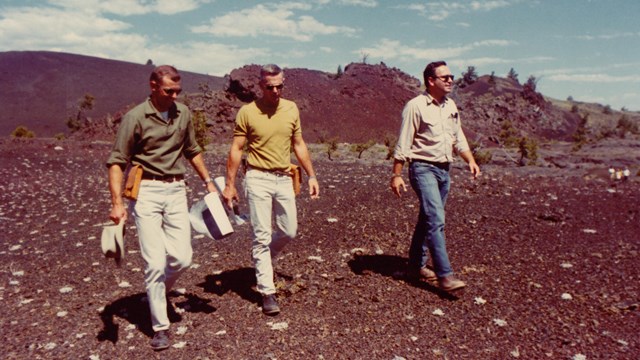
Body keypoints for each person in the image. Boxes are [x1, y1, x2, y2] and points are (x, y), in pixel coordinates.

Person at [106, 65, 217, 350]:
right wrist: (117, 203)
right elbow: (118, 161)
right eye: (169, 90)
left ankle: (157, 291)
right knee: (154, 263)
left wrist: (208, 182)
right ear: (153, 86)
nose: (174, 95)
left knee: (182, 258)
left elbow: (192, 149)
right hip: (146, 192)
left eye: (178, 91)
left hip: (177, 188)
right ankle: (160, 326)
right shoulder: (135, 117)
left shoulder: (184, 114)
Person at [222, 64, 320, 315]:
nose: (275, 91)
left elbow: (298, 143)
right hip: (257, 178)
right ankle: (267, 291)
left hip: (284, 177)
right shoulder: (247, 112)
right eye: (270, 87)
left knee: (289, 230)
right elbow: (236, 149)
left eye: (279, 86)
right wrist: (230, 184)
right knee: (262, 236)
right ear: (260, 85)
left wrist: (311, 175)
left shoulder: (291, 109)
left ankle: (264, 259)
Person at [390, 60, 480, 292]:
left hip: (444, 170)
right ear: (431, 81)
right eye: (445, 77)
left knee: (428, 218)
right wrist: (396, 174)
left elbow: (458, 137)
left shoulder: (450, 106)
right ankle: (445, 275)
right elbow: (404, 141)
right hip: (422, 168)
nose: (450, 80)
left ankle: (415, 266)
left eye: (451, 77)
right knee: (436, 220)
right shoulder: (415, 106)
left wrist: (469, 160)